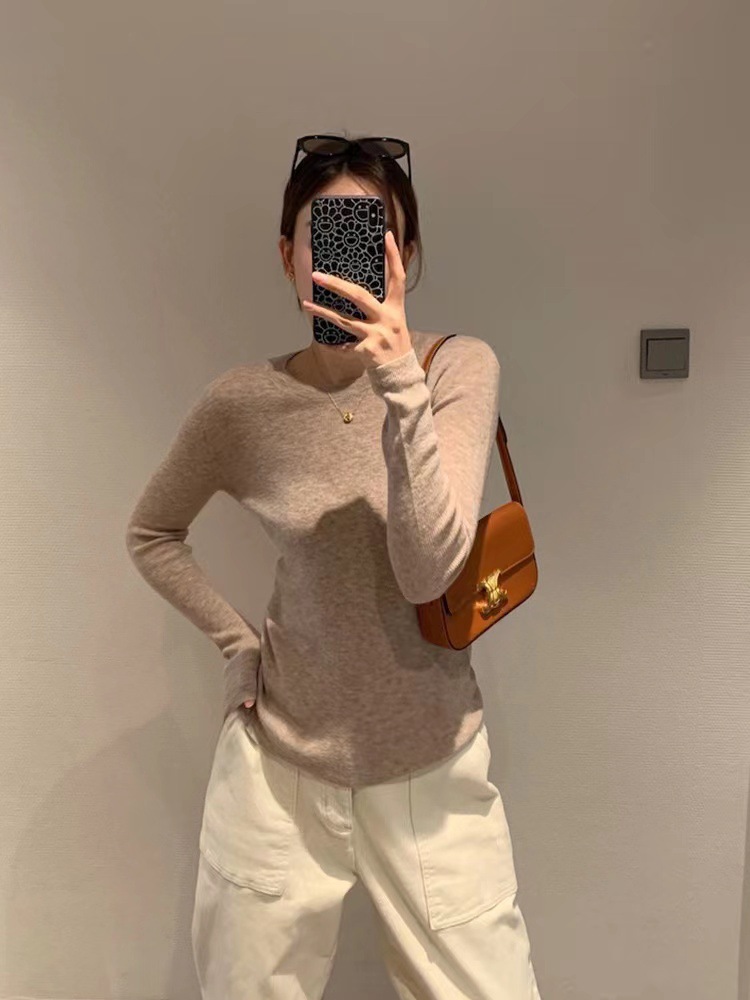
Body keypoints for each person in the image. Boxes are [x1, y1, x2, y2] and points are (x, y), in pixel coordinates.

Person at [125, 133, 542, 1000]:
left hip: (433, 767)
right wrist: (237, 645)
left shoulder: (457, 370)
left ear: (405, 255)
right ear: (288, 256)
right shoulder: (241, 404)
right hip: (278, 772)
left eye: (372, 234)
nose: (346, 259)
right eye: (326, 235)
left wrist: (398, 381)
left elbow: (427, 572)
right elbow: (153, 532)